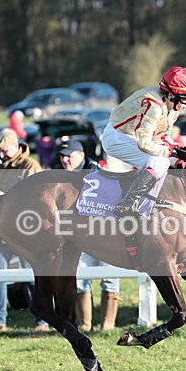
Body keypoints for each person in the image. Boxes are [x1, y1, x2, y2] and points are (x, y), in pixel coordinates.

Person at [102, 66, 186, 218]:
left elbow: (161, 135)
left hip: (133, 136)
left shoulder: (173, 106)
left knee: (175, 160)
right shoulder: (154, 106)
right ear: (172, 94)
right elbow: (144, 143)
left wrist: (176, 148)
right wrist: (170, 151)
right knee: (160, 163)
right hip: (117, 136)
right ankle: (127, 206)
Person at [55, 140, 122, 331]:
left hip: (106, 234)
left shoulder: (99, 173)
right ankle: (85, 325)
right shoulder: (60, 176)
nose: (64, 159)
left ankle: (107, 325)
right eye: (62, 155)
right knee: (81, 278)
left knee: (109, 277)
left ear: (81, 155)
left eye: (69, 155)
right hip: (81, 237)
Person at [0, 128, 42, 331]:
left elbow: (36, 198)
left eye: (4, 150)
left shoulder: (30, 166)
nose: (1, 155)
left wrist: (2, 195)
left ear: (16, 146)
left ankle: (43, 321)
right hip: (4, 231)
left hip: (27, 231)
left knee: (34, 275)